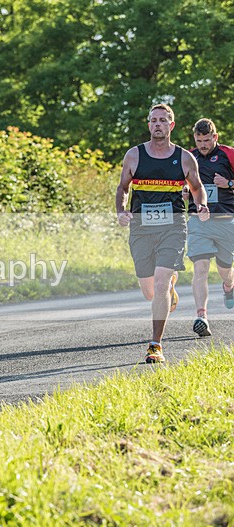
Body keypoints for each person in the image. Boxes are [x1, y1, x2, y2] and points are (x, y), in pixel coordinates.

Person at [116, 103, 209, 363]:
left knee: (160, 284)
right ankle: (170, 288)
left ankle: (155, 345)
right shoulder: (134, 155)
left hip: (173, 228)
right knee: (150, 291)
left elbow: (197, 187)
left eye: (163, 120)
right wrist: (121, 211)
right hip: (141, 229)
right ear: (149, 125)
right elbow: (123, 188)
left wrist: (201, 204)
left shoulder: (184, 158)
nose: (158, 124)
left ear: (171, 125)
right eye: (154, 120)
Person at [184, 118, 234, 337]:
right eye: (199, 140)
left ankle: (229, 286)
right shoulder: (188, 157)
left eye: (207, 140)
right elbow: (179, 185)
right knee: (201, 267)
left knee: (225, 270)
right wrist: (183, 193)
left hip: (225, 220)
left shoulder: (228, 154)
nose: (203, 145)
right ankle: (201, 316)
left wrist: (229, 183)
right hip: (199, 221)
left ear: (215, 137)